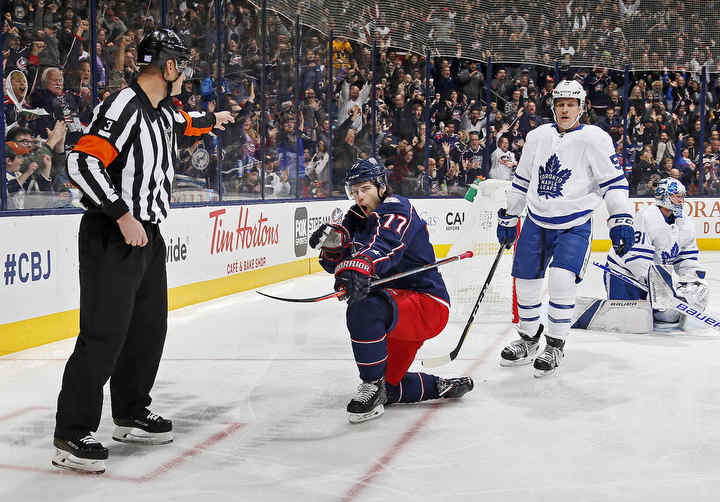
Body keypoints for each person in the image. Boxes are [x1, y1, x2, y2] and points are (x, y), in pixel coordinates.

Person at [52, 28, 234, 474]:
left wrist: (215, 120)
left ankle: (131, 410)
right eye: (182, 66)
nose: (186, 74)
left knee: (147, 330)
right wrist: (121, 214)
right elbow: (82, 160)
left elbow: (185, 122)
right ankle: (71, 433)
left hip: (148, 234)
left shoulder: (163, 110)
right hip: (113, 232)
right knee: (103, 333)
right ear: (168, 67)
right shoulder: (123, 105)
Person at [309, 158, 473, 423]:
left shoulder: (398, 208)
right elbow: (334, 265)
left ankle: (370, 386)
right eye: (354, 191)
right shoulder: (353, 219)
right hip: (395, 310)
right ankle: (439, 385)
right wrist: (331, 248)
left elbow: (387, 246)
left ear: (381, 186)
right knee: (391, 386)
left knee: (363, 307)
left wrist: (360, 264)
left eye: (365, 189)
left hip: (426, 304)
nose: (359, 196)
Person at [495, 80, 634, 377]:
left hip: (574, 223)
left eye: (571, 104)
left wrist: (620, 218)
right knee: (525, 280)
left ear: (581, 107)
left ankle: (555, 344)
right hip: (536, 219)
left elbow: (614, 183)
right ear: (554, 107)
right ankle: (528, 338)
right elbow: (522, 179)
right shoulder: (537, 136)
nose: (565, 109)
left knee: (560, 279)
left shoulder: (595, 139)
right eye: (560, 104)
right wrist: (510, 215)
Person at [604, 178, 708, 328]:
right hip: (624, 274)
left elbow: (687, 260)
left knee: (671, 316)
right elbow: (637, 260)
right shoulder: (647, 216)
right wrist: (661, 286)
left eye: (682, 196)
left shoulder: (686, 223)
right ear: (663, 195)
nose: (681, 200)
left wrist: (690, 283)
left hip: (654, 279)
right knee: (630, 321)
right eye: (676, 196)